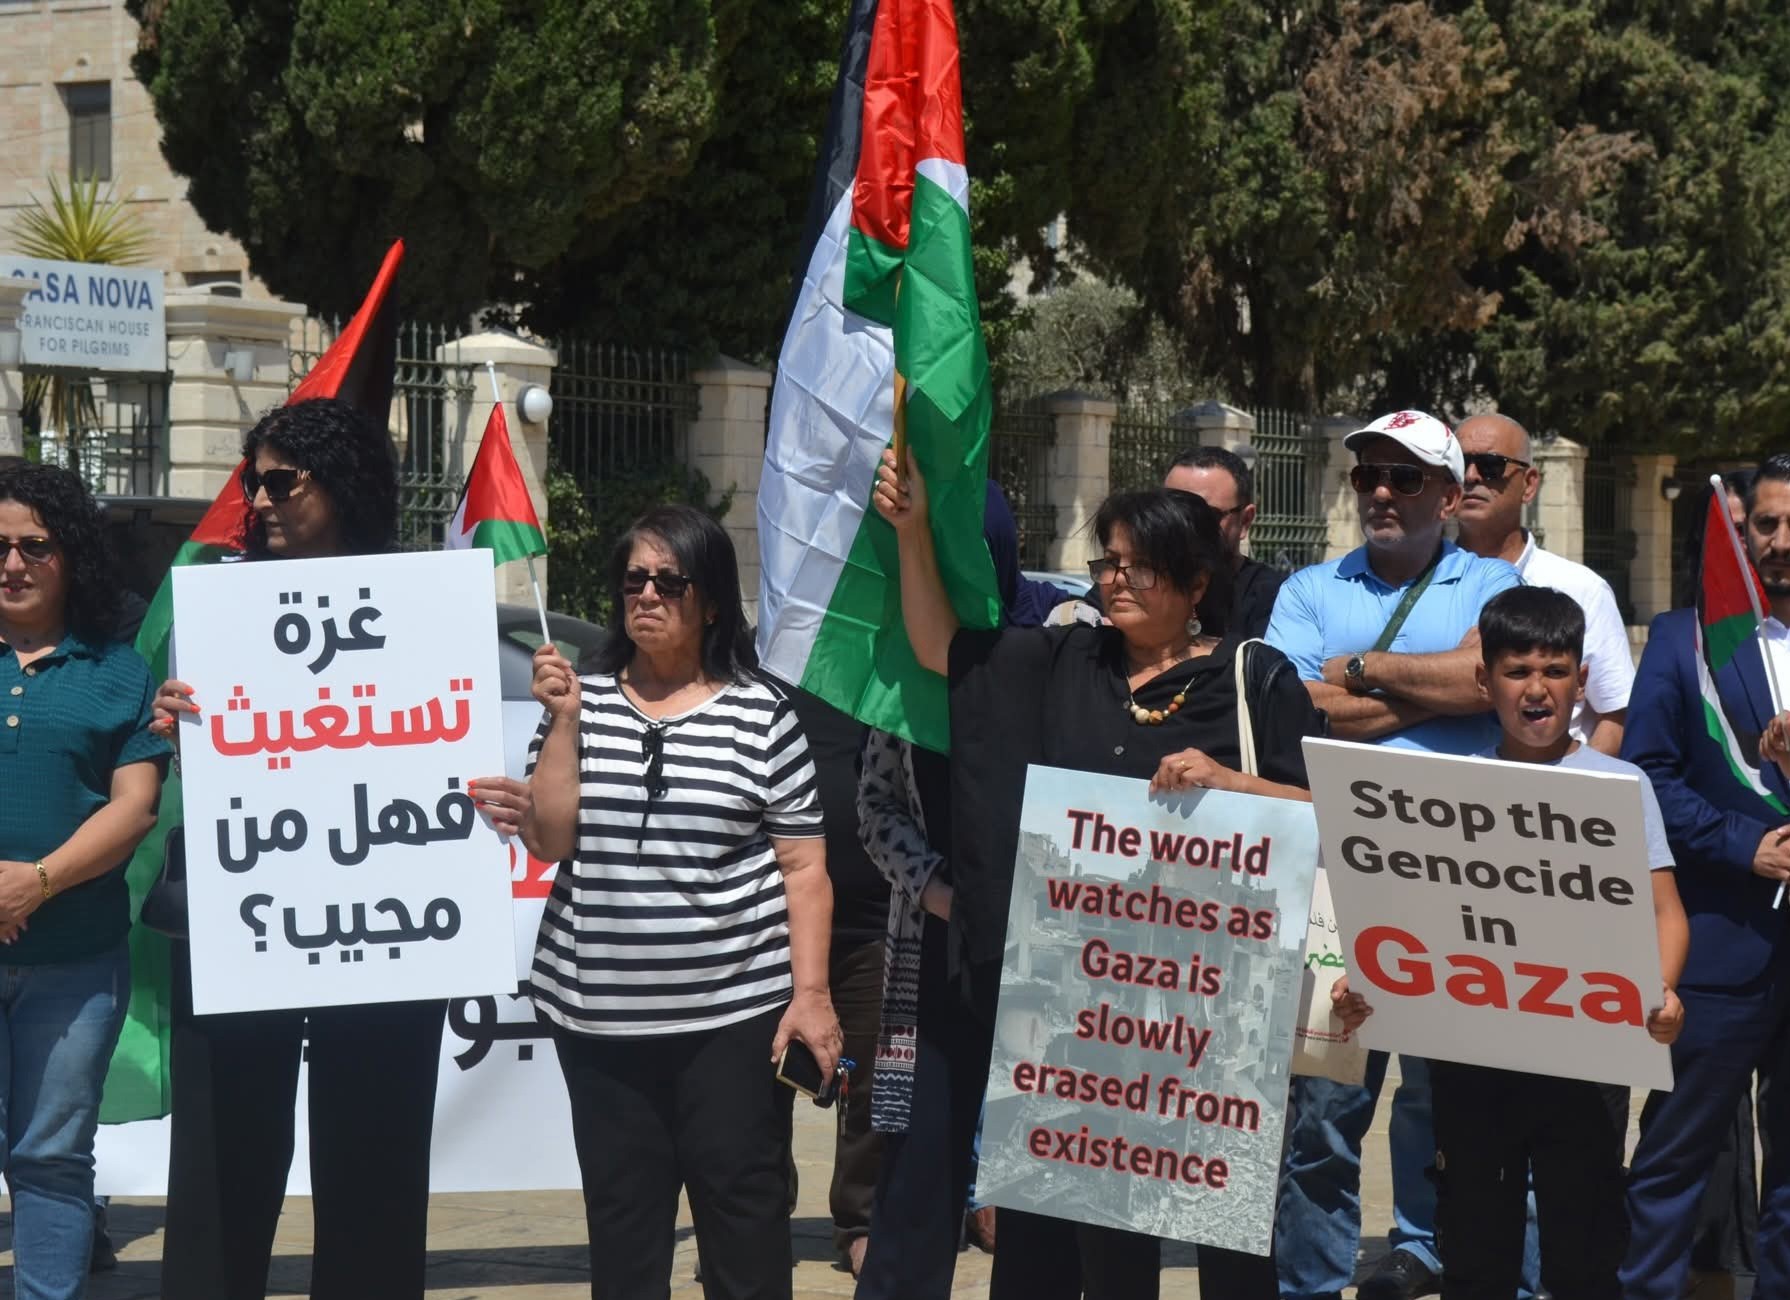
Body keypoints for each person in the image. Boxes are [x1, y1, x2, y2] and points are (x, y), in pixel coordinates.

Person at [870, 447, 1340, 1300]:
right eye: (1108, 563)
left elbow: (1332, 812)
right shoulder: (1066, 663)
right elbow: (939, 649)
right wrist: (910, 530)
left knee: (1231, 1254)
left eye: (1140, 566)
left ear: (1195, 582)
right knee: (1108, 1251)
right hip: (1089, 1019)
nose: (1116, 581)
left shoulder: (1254, 677)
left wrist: (1232, 784)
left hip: (1213, 1021)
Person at [151, 399, 530, 1299]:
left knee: (375, 1161)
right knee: (220, 1161)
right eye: (253, 483)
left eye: (281, 482)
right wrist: (177, 725)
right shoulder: (218, 605)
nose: (260, 501)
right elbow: (218, 763)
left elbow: (447, 750)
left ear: (343, 483)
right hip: (247, 919)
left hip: (388, 926)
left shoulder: (422, 606)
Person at [521, 503, 843, 1300]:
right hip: (599, 1023)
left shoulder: (762, 713)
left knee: (745, 1228)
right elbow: (549, 841)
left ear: (713, 601)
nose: (647, 595)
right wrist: (564, 724)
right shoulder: (579, 702)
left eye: (670, 581)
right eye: (634, 579)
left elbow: (804, 867)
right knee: (624, 1236)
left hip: (734, 1022)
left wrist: (811, 996)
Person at [1264, 409, 1521, 1300]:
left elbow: (1493, 677)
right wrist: (1441, 687)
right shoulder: (1308, 589)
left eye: (1405, 478)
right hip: (1337, 889)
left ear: (1449, 497)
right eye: (1368, 475)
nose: (1381, 492)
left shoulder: (1492, 580)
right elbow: (1292, 708)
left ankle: (1436, 1253)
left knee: (1451, 1106)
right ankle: (1310, 1284)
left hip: (1460, 884)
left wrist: (1362, 669)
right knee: (1324, 1118)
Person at [853, 480, 1083, 1298]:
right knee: (917, 1163)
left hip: (1050, 955)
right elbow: (875, 807)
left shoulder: (1067, 635)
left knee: (1043, 1173)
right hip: (935, 948)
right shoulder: (901, 661)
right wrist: (940, 892)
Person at [1425, 585, 1685, 1299]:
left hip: (1588, 1061)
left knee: (1585, 1253)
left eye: (1555, 670)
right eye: (1516, 671)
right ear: (1485, 682)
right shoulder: (1446, 788)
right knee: (1476, 1254)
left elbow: (1665, 912)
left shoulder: (1621, 784)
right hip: (1473, 1059)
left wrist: (1661, 994)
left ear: (1582, 678)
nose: (1536, 689)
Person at [1621, 451, 1790, 1296]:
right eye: (1767, 524)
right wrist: (1741, 843)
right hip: (1722, 947)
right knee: (1674, 1160)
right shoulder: (1683, 639)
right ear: (1739, 531)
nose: (1782, 541)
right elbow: (1647, 774)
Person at [0, 462, 169, 1298]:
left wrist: (35, 882)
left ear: (70, 555)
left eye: (35, 545)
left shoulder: (120, 672)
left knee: (52, 1157)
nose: (13, 563)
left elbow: (135, 806)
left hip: (75, 965)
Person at [776, 681, 884, 1277]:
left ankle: (861, 1223)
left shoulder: (889, 687)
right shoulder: (758, 681)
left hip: (873, 921)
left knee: (873, 1081)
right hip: (777, 924)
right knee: (761, 1085)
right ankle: (759, 1218)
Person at [1453, 413, 1633, 753]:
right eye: (1460, 464)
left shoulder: (1580, 588)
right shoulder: (1422, 583)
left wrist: (1574, 780)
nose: (1471, 476)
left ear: (1529, 484)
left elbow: (1616, 714)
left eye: (1490, 466)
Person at [1165, 445, 1286, 638]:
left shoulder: (1275, 599)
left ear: (1245, 520)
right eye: (1173, 512)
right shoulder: (1133, 585)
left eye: (1208, 515)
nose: (1186, 526)